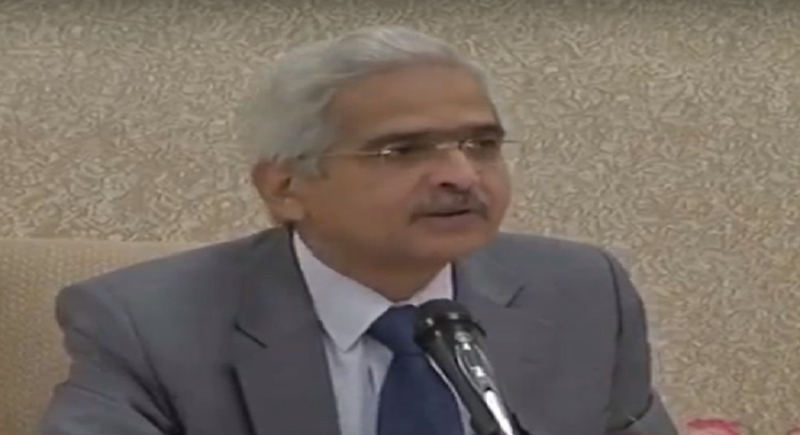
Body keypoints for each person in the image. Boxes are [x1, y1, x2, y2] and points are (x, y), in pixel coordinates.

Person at [41, 26, 677, 435]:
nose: (461, 175)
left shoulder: (582, 291)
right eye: (402, 151)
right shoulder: (146, 323)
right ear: (284, 187)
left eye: (481, 144)